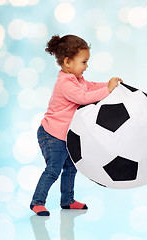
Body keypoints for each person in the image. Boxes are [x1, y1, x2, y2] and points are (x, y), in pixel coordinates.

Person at [30, 34, 122, 216]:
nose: (87, 66)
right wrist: (108, 90)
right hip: (52, 135)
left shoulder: (77, 80)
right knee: (53, 170)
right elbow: (83, 98)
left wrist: (110, 85)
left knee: (71, 168)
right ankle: (37, 202)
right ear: (67, 62)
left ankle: (67, 200)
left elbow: (92, 86)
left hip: (66, 135)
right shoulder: (65, 83)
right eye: (84, 62)